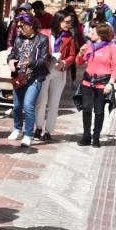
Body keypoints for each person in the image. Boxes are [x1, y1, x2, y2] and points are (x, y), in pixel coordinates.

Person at [7, 13, 49, 147]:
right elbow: (12, 54)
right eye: (18, 26)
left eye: (21, 26)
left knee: (28, 105)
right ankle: (18, 129)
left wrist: (30, 63)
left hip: (34, 77)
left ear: (30, 25)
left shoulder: (42, 39)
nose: (19, 29)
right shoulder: (18, 39)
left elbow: (44, 59)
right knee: (17, 106)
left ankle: (28, 135)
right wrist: (10, 61)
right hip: (19, 76)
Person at [34, 10, 76, 142]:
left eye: (71, 22)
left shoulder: (69, 37)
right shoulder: (44, 33)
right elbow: (36, 49)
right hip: (44, 70)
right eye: (67, 22)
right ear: (59, 21)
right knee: (41, 101)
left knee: (54, 103)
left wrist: (64, 62)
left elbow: (73, 55)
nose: (69, 24)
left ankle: (48, 131)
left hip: (59, 72)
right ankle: (39, 127)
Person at [75, 24, 116, 147]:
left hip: (103, 84)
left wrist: (111, 83)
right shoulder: (89, 46)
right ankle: (86, 136)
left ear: (100, 34)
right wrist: (80, 52)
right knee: (86, 108)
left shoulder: (112, 47)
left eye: (93, 32)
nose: (91, 33)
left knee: (99, 111)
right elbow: (79, 63)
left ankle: (96, 138)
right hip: (87, 82)